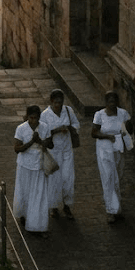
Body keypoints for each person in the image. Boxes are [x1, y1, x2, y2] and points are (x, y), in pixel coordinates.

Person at [91, 90, 134, 223]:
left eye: (114, 101)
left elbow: (129, 129)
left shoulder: (122, 113)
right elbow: (94, 132)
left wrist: (126, 128)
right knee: (108, 177)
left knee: (117, 177)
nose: (112, 104)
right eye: (109, 102)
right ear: (106, 103)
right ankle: (111, 210)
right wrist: (107, 136)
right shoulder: (99, 115)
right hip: (104, 149)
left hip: (118, 149)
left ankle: (117, 207)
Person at [12, 105, 52, 237]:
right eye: (31, 118)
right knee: (24, 192)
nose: (33, 121)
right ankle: (24, 214)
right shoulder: (21, 128)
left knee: (38, 195)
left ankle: (37, 225)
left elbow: (51, 144)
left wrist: (40, 141)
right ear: (27, 117)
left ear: (40, 118)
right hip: (25, 166)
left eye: (36, 118)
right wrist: (31, 142)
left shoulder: (45, 127)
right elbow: (17, 148)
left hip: (39, 166)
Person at [41, 88, 79, 220]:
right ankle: (54, 207)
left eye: (60, 102)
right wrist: (56, 130)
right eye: (56, 102)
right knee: (54, 179)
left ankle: (67, 206)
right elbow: (42, 133)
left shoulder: (68, 111)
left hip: (67, 150)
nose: (58, 105)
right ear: (51, 102)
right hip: (53, 151)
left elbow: (76, 124)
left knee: (68, 178)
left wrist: (70, 128)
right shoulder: (45, 115)